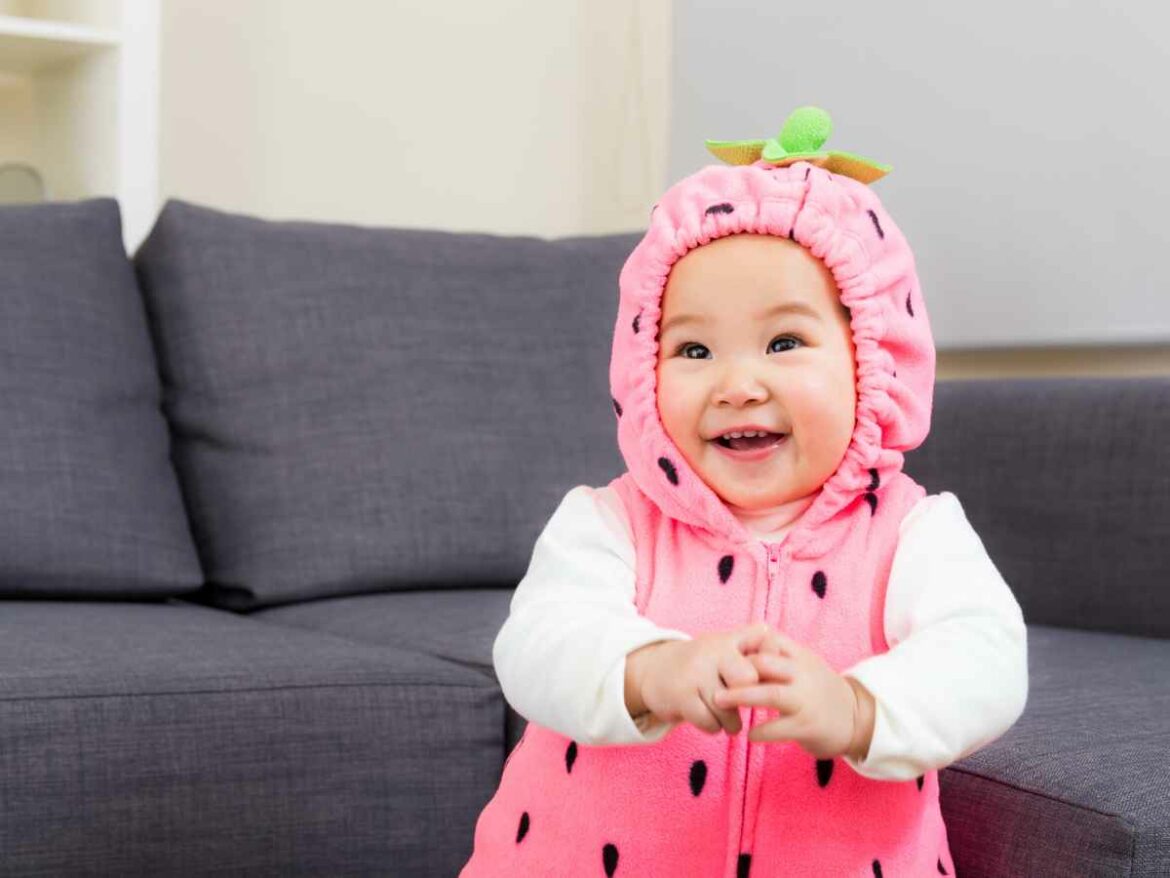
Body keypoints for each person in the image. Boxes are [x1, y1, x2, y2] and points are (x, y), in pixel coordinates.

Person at [459, 106, 1028, 877]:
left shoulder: (915, 535)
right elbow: (537, 645)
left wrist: (860, 710)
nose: (736, 384)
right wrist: (651, 670)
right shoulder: (609, 522)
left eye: (784, 342)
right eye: (694, 349)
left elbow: (985, 660)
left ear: (873, 358)